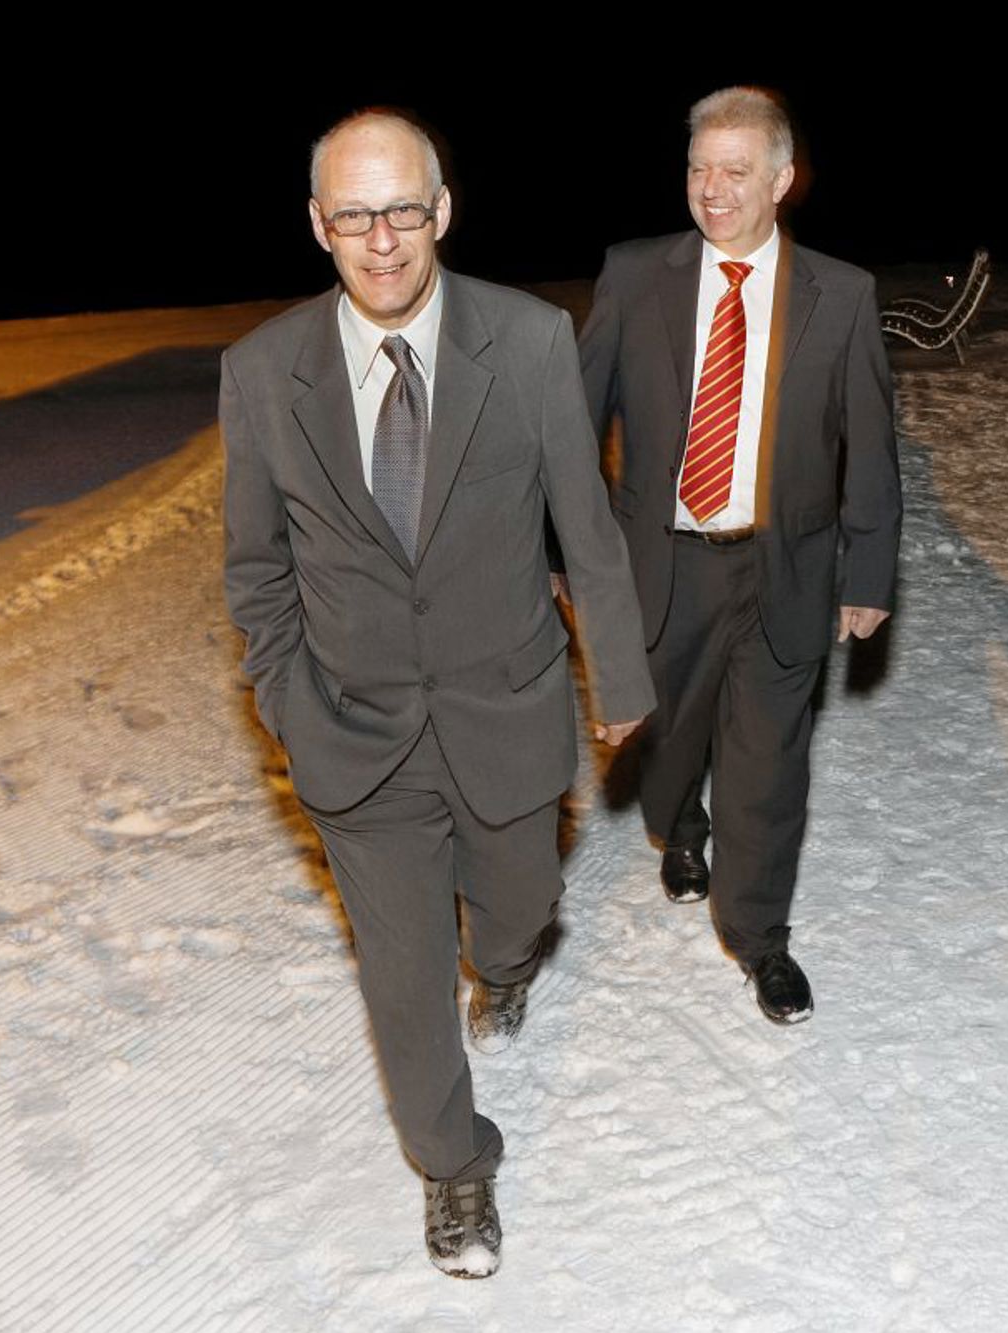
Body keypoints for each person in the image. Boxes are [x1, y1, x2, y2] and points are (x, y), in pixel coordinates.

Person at [220, 109, 653, 1276]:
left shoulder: (528, 340)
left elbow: (583, 520)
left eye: (402, 209)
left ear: (442, 211)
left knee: (516, 905)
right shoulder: (260, 372)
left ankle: (503, 967)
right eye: (354, 215)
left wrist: (617, 670)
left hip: (505, 704)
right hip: (353, 732)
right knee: (403, 972)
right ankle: (452, 1163)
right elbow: (256, 568)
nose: (382, 239)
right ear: (318, 224)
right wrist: (286, 699)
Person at [578, 86, 901, 1024]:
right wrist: (572, 549)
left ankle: (760, 936)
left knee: (769, 764)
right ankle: (681, 822)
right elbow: (573, 424)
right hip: (663, 563)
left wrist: (869, 567)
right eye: (698, 169)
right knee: (667, 738)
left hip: (782, 563)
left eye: (734, 171)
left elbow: (869, 442)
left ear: (781, 179)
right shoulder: (635, 276)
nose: (712, 190)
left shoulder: (840, 294)